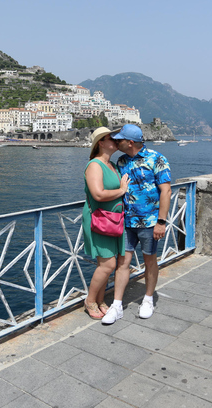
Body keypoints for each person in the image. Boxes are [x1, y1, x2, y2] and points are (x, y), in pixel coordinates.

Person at [102, 124, 171, 324]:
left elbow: (166, 191)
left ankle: (148, 299)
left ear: (130, 142)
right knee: (123, 263)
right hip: (126, 221)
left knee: (150, 260)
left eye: (119, 139)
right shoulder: (121, 160)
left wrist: (161, 221)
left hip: (150, 222)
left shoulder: (156, 159)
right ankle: (117, 305)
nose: (116, 142)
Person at [81, 127, 130, 319]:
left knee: (108, 262)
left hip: (114, 220)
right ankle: (90, 301)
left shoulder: (112, 165)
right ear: (100, 143)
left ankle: (101, 300)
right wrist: (122, 190)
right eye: (111, 138)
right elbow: (98, 194)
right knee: (108, 264)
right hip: (100, 219)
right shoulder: (94, 165)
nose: (116, 140)